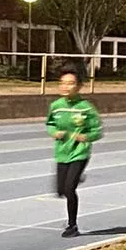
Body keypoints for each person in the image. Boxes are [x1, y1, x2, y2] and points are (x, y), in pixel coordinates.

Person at [46, 67, 103, 235]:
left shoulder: (86, 108)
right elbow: (50, 124)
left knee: (69, 189)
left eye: (70, 83)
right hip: (62, 152)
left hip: (79, 152)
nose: (65, 87)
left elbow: (97, 130)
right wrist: (54, 132)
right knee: (61, 191)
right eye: (62, 83)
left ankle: (72, 226)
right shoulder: (56, 106)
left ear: (78, 86)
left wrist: (86, 137)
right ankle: (77, 177)